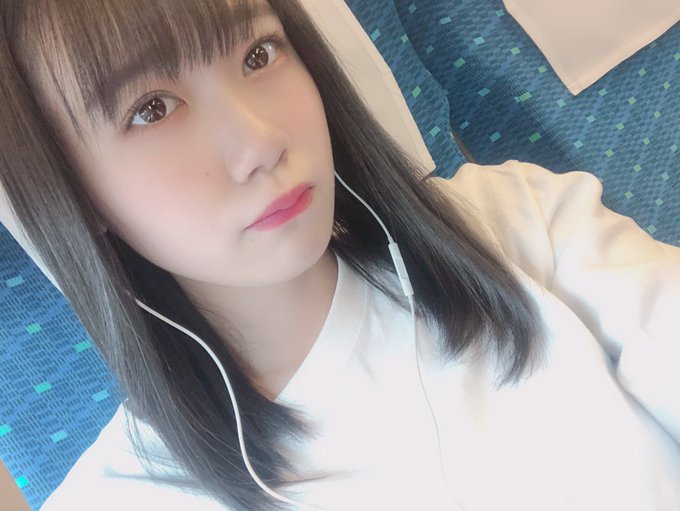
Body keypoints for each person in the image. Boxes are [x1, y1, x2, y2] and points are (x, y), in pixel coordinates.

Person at [0, 0, 678, 510]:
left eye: (259, 55)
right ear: (72, 193)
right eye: (152, 108)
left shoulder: (517, 222)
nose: (261, 142)